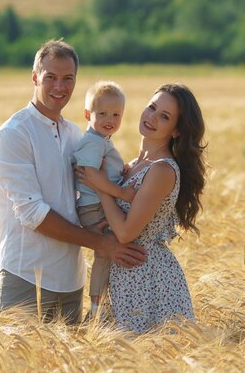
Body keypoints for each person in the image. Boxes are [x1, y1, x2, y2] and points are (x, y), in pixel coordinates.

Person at [0, 39, 148, 324]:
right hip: (25, 274)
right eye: (51, 77)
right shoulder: (14, 134)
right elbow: (32, 214)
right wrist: (103, 243)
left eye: (67, 79)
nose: (59, 87)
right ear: (35, 77)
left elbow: (92, 190)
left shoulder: (76, 135)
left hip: (71, 281)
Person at [76, 83, 206, 333]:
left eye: (164, 116)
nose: (152, 117)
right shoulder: (134, 164)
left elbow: (125, 234)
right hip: (123, 275)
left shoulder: (162, 170)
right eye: (152, 107)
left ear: (176, 130)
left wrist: (101, 186)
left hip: (148, 280)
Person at [72, 81, 134, 319]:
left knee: (111, 252)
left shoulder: (102, 140)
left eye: (116, 114)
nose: (110, 119)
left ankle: (104, 303)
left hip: (97, 204)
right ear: (88, 115)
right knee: (105, 253)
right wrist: (121, 193)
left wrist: (121, 172)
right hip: (94, 208)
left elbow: (102, 171)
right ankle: (97, 306)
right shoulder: (92, 141)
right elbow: (90, 174)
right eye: (103, 113)